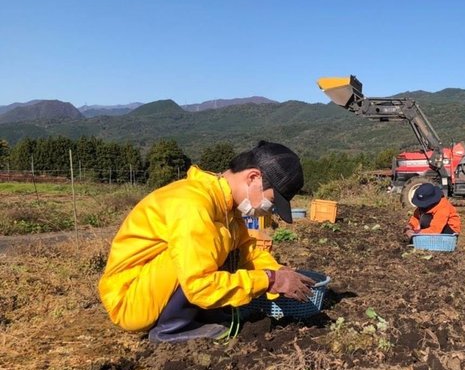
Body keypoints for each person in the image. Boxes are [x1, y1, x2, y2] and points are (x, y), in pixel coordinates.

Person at [98, 140, 315, 343]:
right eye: (272, 202)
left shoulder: (226, 208)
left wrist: (278, 272)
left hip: (156, 286)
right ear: (253, 178)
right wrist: (268, 280)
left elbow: (249, 252)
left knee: (219, 245)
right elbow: (199, 283)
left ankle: (199, 313)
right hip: (130, 300)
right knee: (206, 246)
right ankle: (172, 326)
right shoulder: (193, 205)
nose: (269, 210)